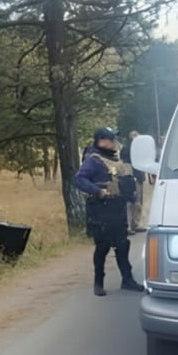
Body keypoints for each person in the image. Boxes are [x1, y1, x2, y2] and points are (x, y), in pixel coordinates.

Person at [75, 127, 144, 296]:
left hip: (117, 207)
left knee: (122, 244)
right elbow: (79, 179)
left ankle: (127, 280)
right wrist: (97, 191)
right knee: (103, 246)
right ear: (102, 141)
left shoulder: (115, 159)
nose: (114, 142)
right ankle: (98, 283)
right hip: (100, 209)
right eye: (111, 139)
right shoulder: (94, 160)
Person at [119, 130, 147, 234]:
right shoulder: (126, 150)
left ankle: (136, 223)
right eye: (134, 136)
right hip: (130, 177)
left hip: (139, 177)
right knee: (130, 201)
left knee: (138, 202)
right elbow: (125, 163)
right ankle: (128, 226)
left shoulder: (142, 150)